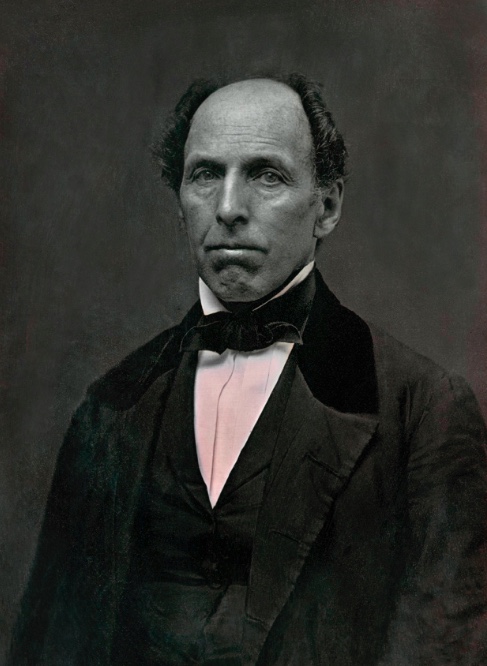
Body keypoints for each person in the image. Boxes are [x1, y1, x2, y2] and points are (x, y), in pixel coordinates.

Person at [9, 74, 487, 665]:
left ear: (327, 206)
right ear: (180, 202)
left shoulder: (423, 413)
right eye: (205, 175)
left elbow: (445, 648)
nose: (229, 208)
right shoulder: (110, 409)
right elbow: (49, 645)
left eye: (267, 175)